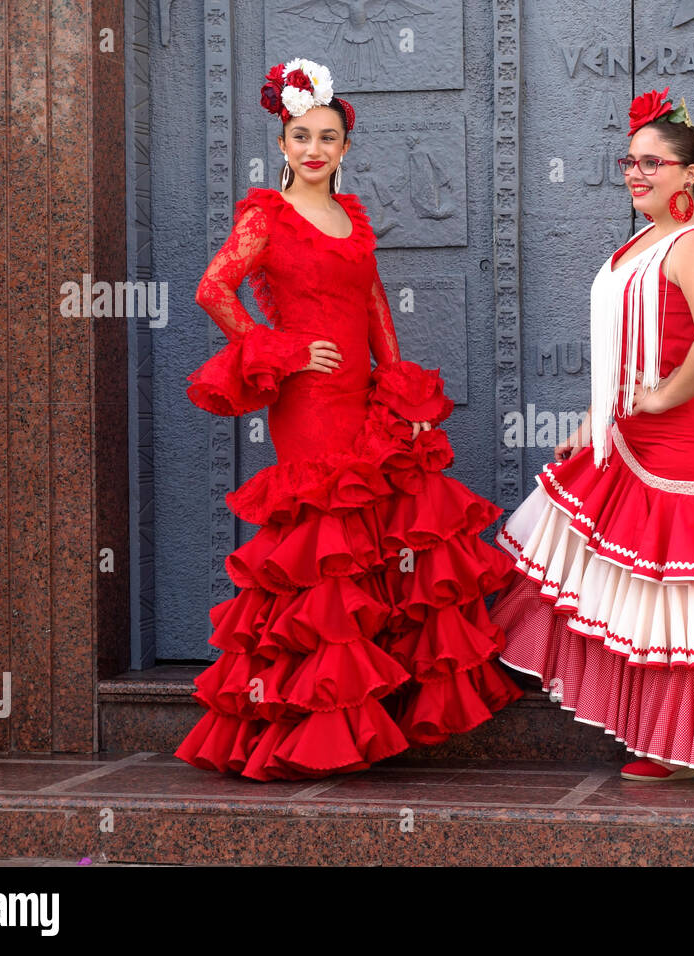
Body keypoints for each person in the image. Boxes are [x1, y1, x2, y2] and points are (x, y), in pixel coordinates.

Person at [175, 58, 521, 780]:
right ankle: (311, 724)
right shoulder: (265, 215)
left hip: (363, 394)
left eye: (326, 138)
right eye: (300, 136)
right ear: (282, 144)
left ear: (344, 149)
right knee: (322, 536)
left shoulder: (352, 216)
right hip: (307, 400)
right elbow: (214, 290)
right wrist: (285, 350)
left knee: (380, 529)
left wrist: (400, 392)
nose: (313, 150)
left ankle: (365, 715)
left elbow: (372, 307)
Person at [489, 88, 694, 780]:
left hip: (688, 450)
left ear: (689, 174)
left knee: (687, 603)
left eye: (653, 162)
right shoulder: (648, 240)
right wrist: (596, 421)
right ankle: (655, 738)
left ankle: (692, 745)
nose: (636, 173)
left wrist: (665, 396)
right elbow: (631, 349)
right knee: (641, 597)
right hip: (635, 445)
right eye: (629, 161)